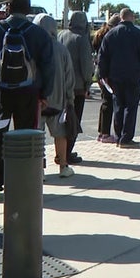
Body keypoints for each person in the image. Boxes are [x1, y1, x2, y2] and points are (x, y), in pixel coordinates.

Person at [0, 0, 57, 194]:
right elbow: (49, 66)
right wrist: (44, 94)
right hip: (29, 93)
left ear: (8, 8)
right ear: (29, 10)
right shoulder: (39, 34)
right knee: (26, 137)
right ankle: (22, 186)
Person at [97, 8, 140, 148]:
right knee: (131, 107)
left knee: (118, 106)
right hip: (133, 75)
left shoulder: (110, 35)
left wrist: (103, 75)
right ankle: (126, 138)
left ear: (121, 18)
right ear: (132, 17)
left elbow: (102, 56)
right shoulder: (139, 35)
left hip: (115, 76)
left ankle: (118, 136)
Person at [34, 14, 76, 178]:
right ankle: (63, 166)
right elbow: (69, 77)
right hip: (58, 101)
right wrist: (69, 98)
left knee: (38, 137)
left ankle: (39, 170)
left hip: (37, 101)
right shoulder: (61, 49)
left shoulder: (34, 47)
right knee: (60, 134)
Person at [57, 10, 93, 164]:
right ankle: (68, 153)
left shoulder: (61, 35)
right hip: (77, 87)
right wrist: (87, 83)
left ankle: (61, 152)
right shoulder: (82, 39)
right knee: (73, 120)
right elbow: (86, 65)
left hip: (60, 85)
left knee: (60, 121)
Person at [92, 14, 119, 143]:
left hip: (99, 72)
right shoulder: (111, 37)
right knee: (108, 103)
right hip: (106, 73)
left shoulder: (99, 35)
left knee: (105, 102)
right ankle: (106, 134)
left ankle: (102, 132)